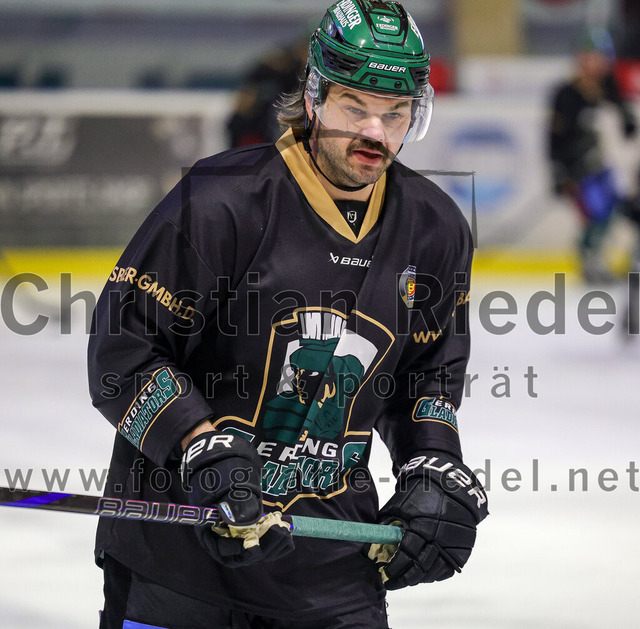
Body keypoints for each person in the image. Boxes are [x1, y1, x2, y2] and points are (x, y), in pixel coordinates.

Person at [88, 1, 488, 627]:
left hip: (331, 574)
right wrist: (200, 444)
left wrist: (432, 464)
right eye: (355, 107)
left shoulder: (434, 227)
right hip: (181, 564)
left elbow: (426, 378)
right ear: (313, 97)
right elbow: (124, 353)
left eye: (395, 113)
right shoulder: (218, 202)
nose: (376, 133)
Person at [549, 27, 637, 283]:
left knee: (625, 213)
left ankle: (630, 260)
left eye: (599, 57)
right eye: (589, 56)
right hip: (581, 171)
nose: (594, 63)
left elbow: (628, 129)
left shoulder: (611, 89)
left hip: (612, 169)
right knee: (598, 215)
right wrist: (560, 173)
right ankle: (590, 260)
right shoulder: (566, 93)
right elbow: (555, 139)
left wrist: (620, 115)